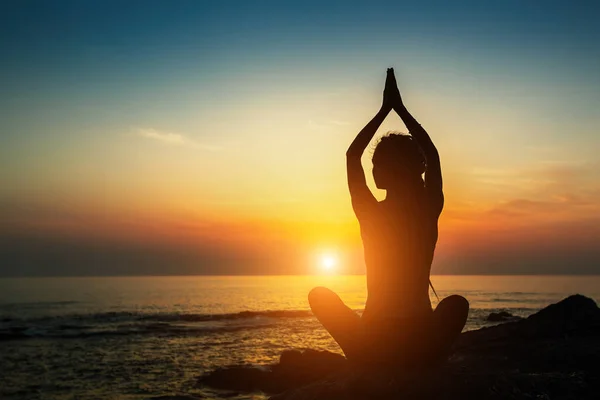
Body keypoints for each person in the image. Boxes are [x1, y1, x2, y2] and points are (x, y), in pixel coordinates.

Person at [308, 68, 469, 368]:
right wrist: (397, 109)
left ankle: (368, 359)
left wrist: (387, 110)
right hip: (406, 334)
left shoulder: (375, 211)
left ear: (400, 169)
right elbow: (431, 156)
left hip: (378, 336)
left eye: (380, 164)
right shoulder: (426, 208)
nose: (374, 170)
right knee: (457, 305)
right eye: (374, 164)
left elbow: (352, 156)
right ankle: (422, 359)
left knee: (319, 295)